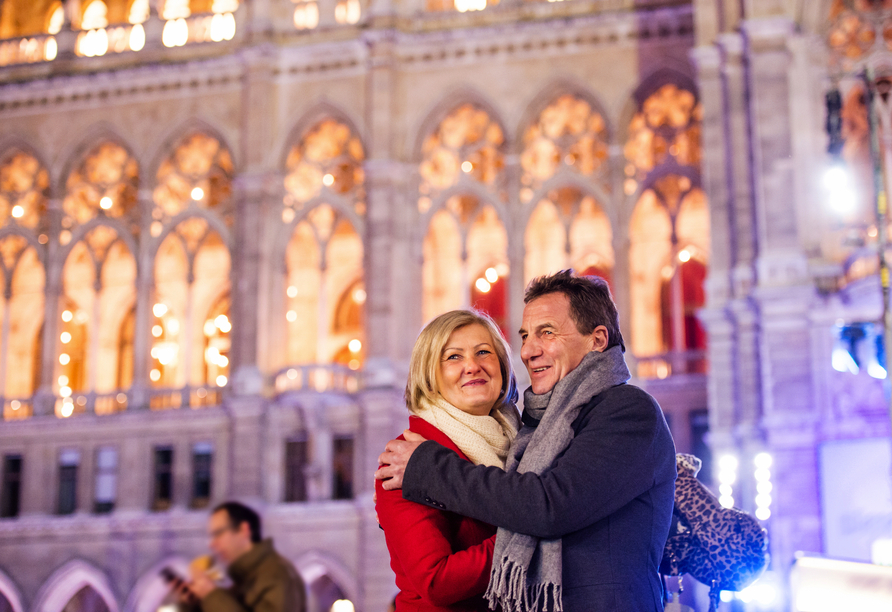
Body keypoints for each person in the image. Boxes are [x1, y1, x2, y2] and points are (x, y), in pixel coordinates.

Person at [376, 271, 677, 612]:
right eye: (524, 336)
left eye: (547, 332)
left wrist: (429, 471)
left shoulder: (625, 410)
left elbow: (550, 506)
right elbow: (437, 578)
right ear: (429, 374)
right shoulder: (412, 454)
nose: (529, 351)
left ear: (597, 340)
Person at [375, 310, 522, 611]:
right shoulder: (404, 459)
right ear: (430, 376)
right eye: (453, 357)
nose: (473, 366)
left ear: (503, 366)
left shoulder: (524, 443)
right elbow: (436, 581)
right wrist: (531, 531)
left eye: (484, 352)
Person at [184, 501, 306, 612]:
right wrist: (195, 604)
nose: (211, 544)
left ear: (244, 530)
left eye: (219, 533)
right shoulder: (245, 578)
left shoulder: (277, 574)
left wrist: (211, 595)